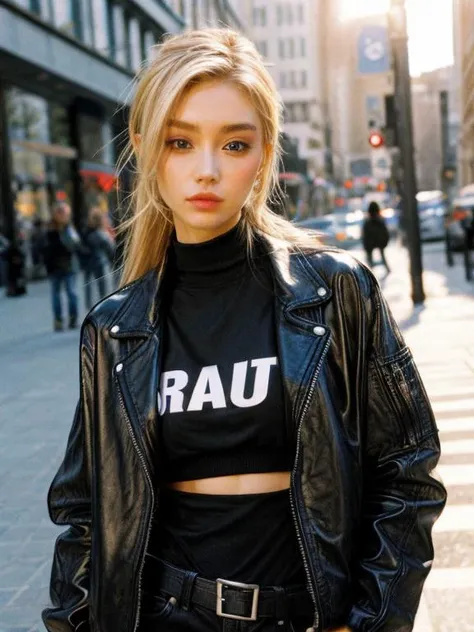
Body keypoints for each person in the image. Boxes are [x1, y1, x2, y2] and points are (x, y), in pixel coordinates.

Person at [42, 29, 446, 632]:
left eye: (234, 144)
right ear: (147, 147)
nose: (206, 170)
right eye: (181, 141)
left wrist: (369, 621)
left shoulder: (335, 294)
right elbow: (84, 516)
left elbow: (408, 471)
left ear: (264, 154)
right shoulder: (114, 329)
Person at [41, 203, 80, 331]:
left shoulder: (69, 228)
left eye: (65, 213)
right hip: (55, 267)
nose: (63, 216)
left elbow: (75, 243)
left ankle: (73, 318)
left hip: (69, 266)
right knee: (56, 294)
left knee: (72, 293)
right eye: (60, 213)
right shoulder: (49, 229)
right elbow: (43, 247)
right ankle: (58, 320)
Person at [80, 207, 116, 310]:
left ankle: (89, 306)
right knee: (103, 286)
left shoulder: (85, 231)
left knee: (89, 286)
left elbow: (80, 247)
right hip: (100, 261)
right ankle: (104, 305)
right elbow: (111, 248)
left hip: (88, 262)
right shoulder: (101, 233)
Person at [362, 201, 391, 276]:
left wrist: (366, 245)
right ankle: (387, 269)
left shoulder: (367, 222)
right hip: (379, 242)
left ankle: (370, 273)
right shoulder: (380, 220)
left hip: (370, 243)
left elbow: (365, 235)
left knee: (370, 260)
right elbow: (385, 232)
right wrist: (384, 242)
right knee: (382, 256)